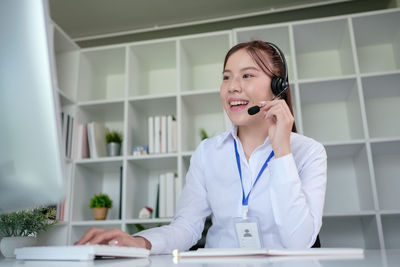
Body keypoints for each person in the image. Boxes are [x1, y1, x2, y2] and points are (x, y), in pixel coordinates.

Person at [75, 40, 327, 254]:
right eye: (226, 77)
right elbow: (187, 226)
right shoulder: (208, 152)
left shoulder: (310, 152)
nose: (232, 87)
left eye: (247, 75)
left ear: (278, 87)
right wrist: (141, 242)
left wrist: (282, 151)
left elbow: (299, 243)